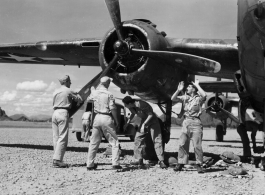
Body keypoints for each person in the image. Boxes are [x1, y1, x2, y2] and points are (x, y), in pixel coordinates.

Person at [86, 76, 122, 170]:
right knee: (114, 142)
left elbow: (89, 99)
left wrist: (92, 89)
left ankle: (90, 164)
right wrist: (117, 121)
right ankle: (115, 163)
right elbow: (113, 108)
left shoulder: (94, 92)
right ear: (108, 84)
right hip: (106, 117)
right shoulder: (109, 94)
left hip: (97, 117)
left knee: (94, 142)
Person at [171, 80, 207, 173]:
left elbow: (204, 95)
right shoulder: (185, 98)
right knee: (182, 143)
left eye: (189, 87)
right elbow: (172, 99)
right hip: (186, 122)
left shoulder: (198, 99)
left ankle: (199, 164)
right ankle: (181, 163)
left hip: (196, 122)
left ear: (194, 89)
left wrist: (197, 85)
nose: (187, 88)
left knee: (197, 145)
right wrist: (178, 90)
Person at [122, 96, 167, 169]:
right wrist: (127, 123)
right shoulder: (130, 107)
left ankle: (161, 161)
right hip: (143, 121)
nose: (125, 106)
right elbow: (133, 114)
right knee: (138, 139)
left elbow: (150, 115)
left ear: (130, 103)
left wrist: (144, 124)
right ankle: (140, 161)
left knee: (157, 140)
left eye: (125, 105)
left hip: (153, 122)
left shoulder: (141, 104)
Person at [52, 75, 83, 168]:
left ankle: (56, 157)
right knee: (63, 137)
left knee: (56, 137)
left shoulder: (55, 91)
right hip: (63, 113)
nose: (70, 83)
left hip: (54, 113)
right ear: (66, 82)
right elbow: (80, 99)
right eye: (69, 81)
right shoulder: (69, 90)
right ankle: (58, 160)